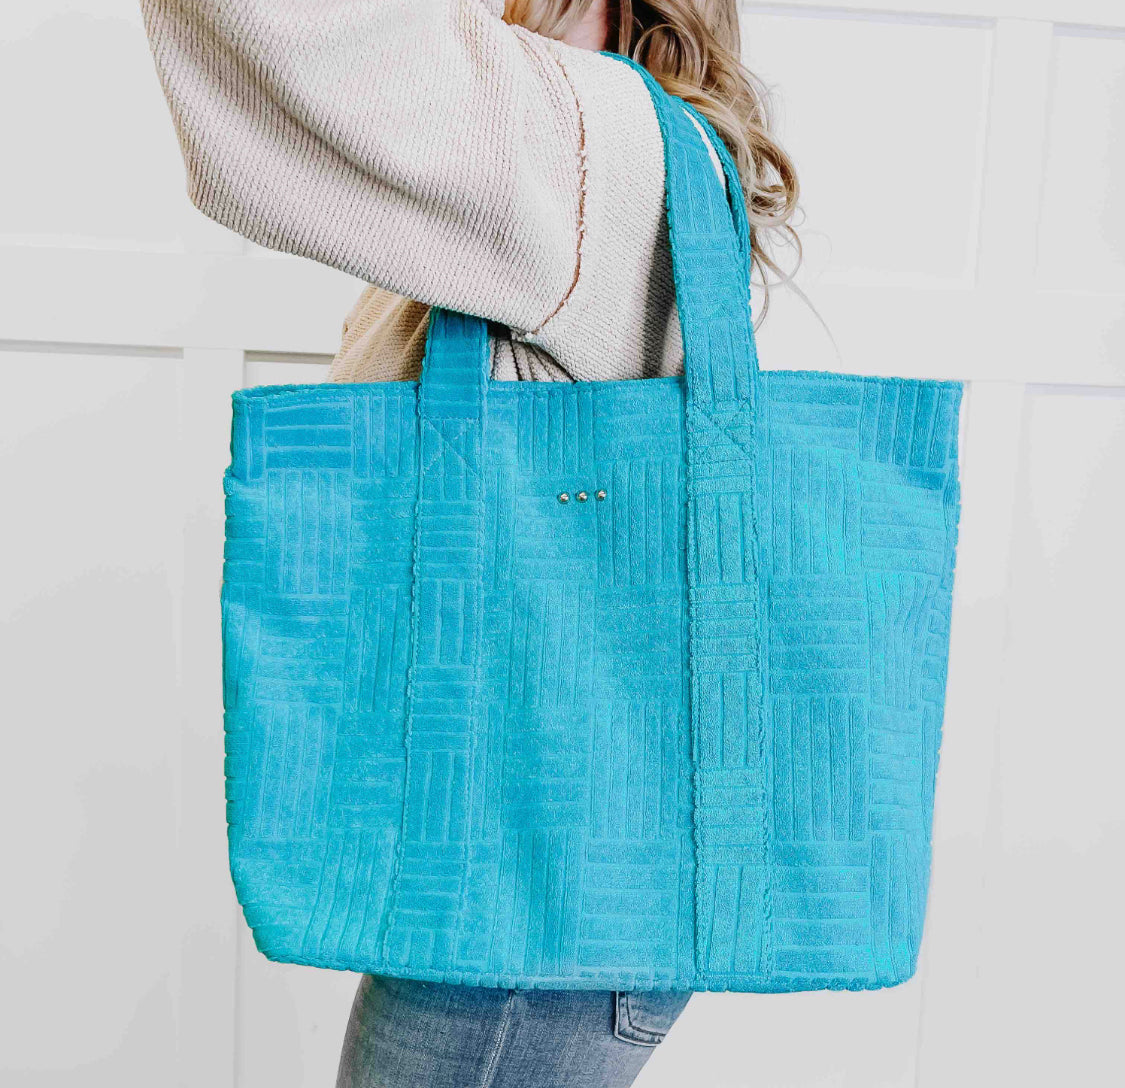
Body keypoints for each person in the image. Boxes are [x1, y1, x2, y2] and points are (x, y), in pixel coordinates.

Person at [141, 1, 801, 1084]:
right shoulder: (580, 157)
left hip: (532, 915)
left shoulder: (580, 144)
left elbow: (278, 45)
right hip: (526, 885)